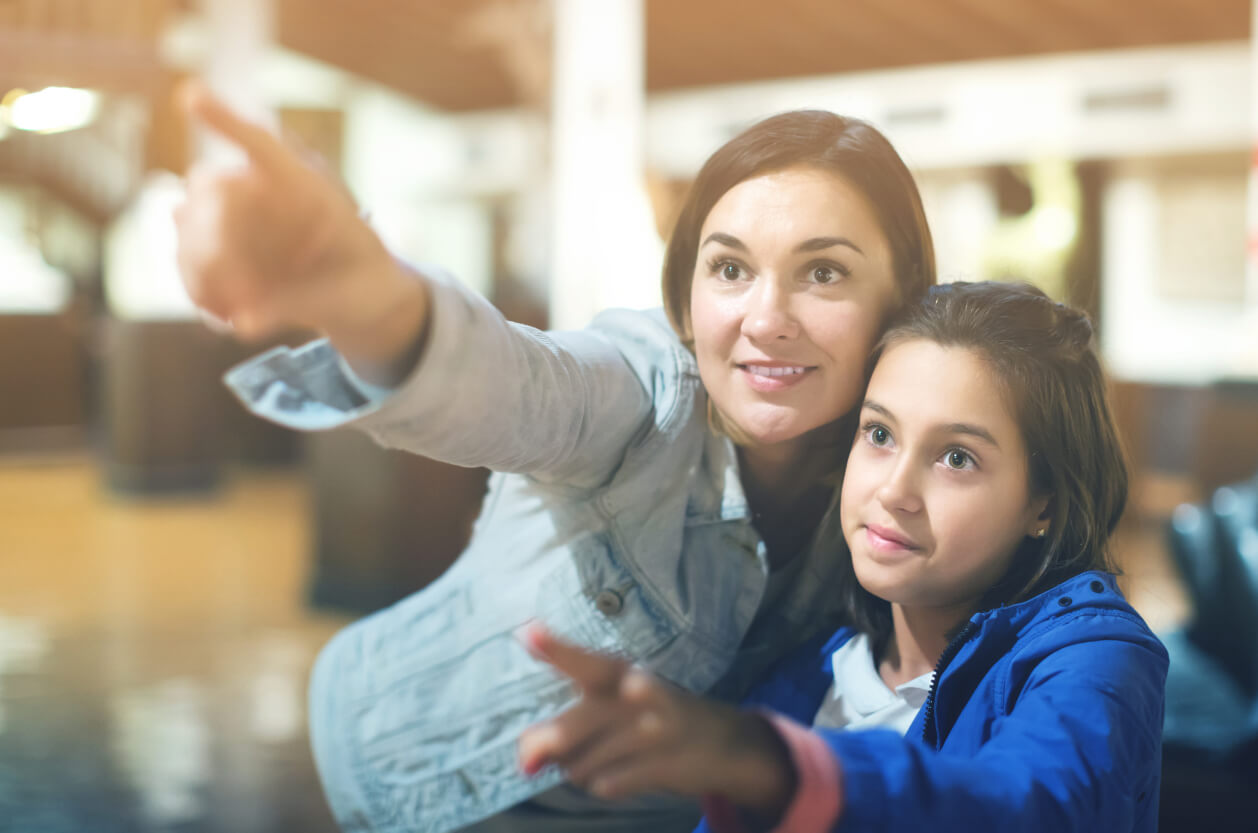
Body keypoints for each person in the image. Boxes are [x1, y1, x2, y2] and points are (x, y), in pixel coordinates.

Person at [174, 90, 935, 833]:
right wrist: (364, 297)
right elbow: (512, 382)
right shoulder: (642, 397)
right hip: (410, 790)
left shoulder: (904, 480)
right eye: (730, 269)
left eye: (823, 273)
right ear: (687, 288)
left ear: (899, 303)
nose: (766, 320)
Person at [517, 281, 1170, 833]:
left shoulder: (1095, 660)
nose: (893, 490)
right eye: (879, 433)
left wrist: (764, 759)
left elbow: (1028, 803)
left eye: (957, 457)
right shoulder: (809, 671)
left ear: (1044, 505)